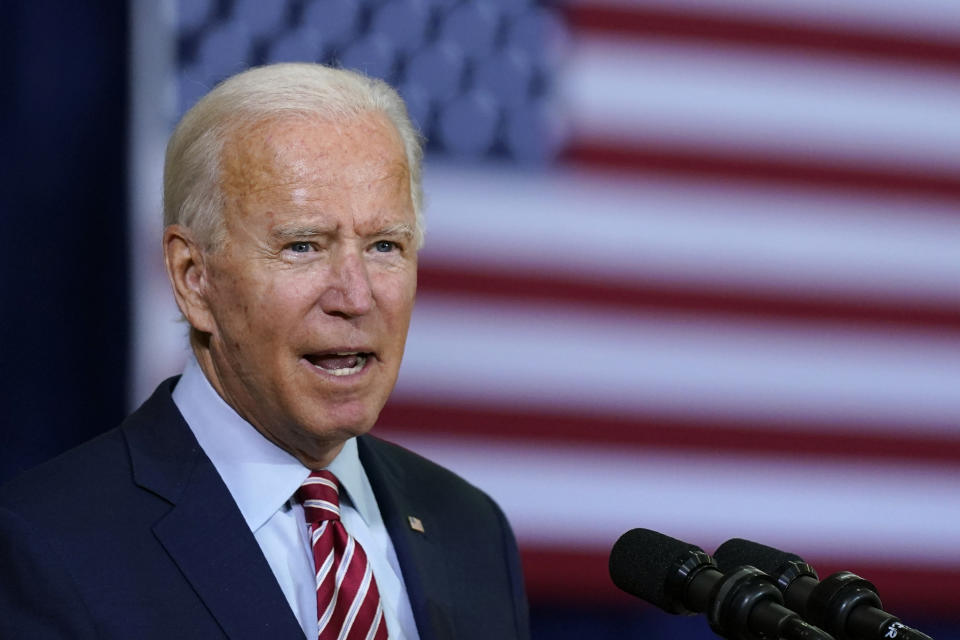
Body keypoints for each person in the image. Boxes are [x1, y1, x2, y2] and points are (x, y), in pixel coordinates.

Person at [0, 63, 530, 640]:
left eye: (385, 245)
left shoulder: (473, 532)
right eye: (302, 245)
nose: (355, 297)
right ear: (193, 277)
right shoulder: (46, 547)